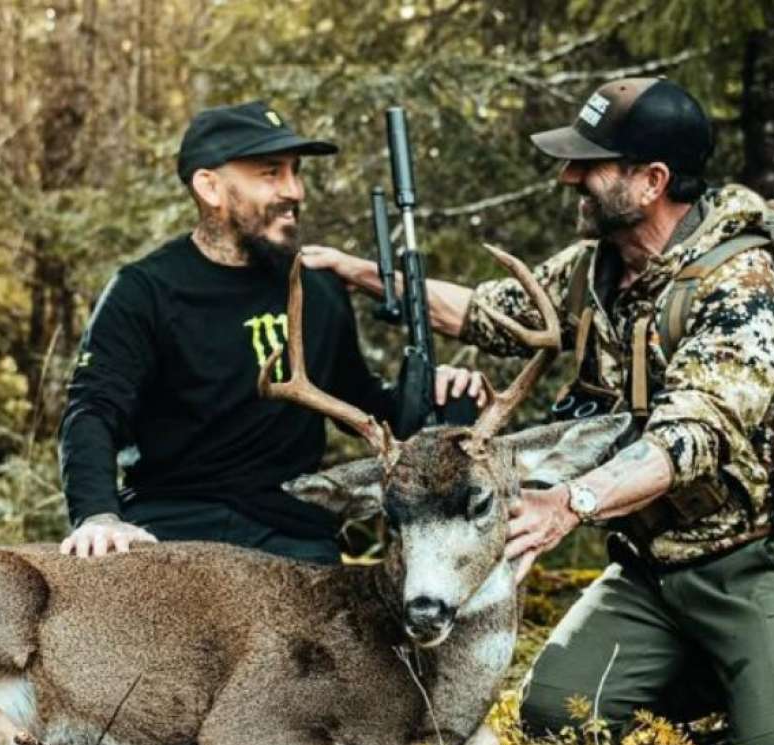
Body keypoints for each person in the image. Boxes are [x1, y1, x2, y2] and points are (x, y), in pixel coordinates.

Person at [302, 78, 774, 745]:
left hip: (754, 559)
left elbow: (690, 437)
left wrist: (570, 503)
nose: (569, 176)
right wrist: (355, 270)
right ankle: (753, 675)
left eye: (591, 164)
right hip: (649, 568)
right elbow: (487, 313)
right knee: (554, 714)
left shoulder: (746, 287)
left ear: (651, 181)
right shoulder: (596, 269)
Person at [58, 100, 484, 563]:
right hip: (174, 522)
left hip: (292, 530)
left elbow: (358, 402)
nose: (295, 190)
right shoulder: (144, 290)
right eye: (271, 173)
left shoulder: (317, 287)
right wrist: (98, 515)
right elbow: (93, 411)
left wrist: (426, 395)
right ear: (211, 188)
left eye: (296, 172)